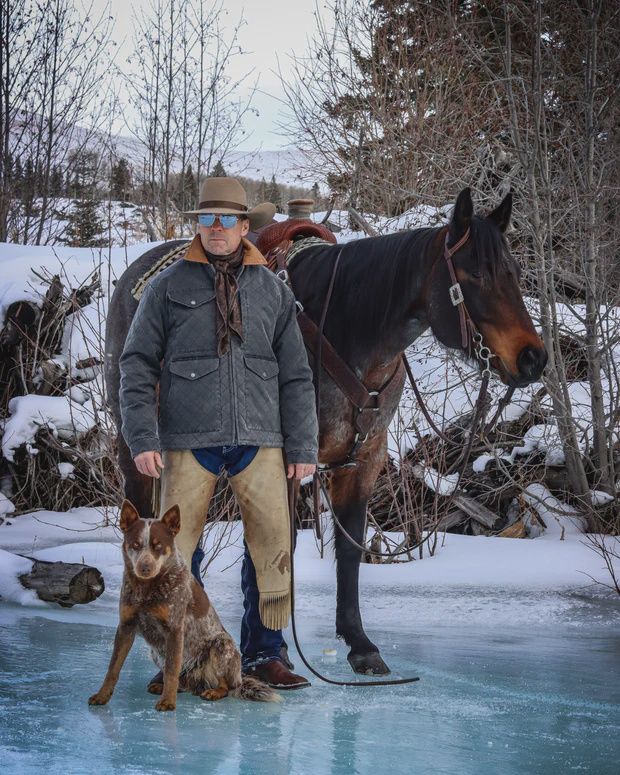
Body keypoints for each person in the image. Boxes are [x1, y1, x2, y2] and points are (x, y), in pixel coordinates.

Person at [118, 177, 318, 689]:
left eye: (225, 219)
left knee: (271, 543)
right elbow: (137, 363)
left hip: (261, 435)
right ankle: (181, 658)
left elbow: (296, 373)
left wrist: (302, 446)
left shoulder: (272, 290)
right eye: (205, 219)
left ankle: (264, 655)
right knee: (175, 552)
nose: (215, 228)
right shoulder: (167, 287)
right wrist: (143, 438)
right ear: (197, 226)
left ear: (244, 227)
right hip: (188, 435)